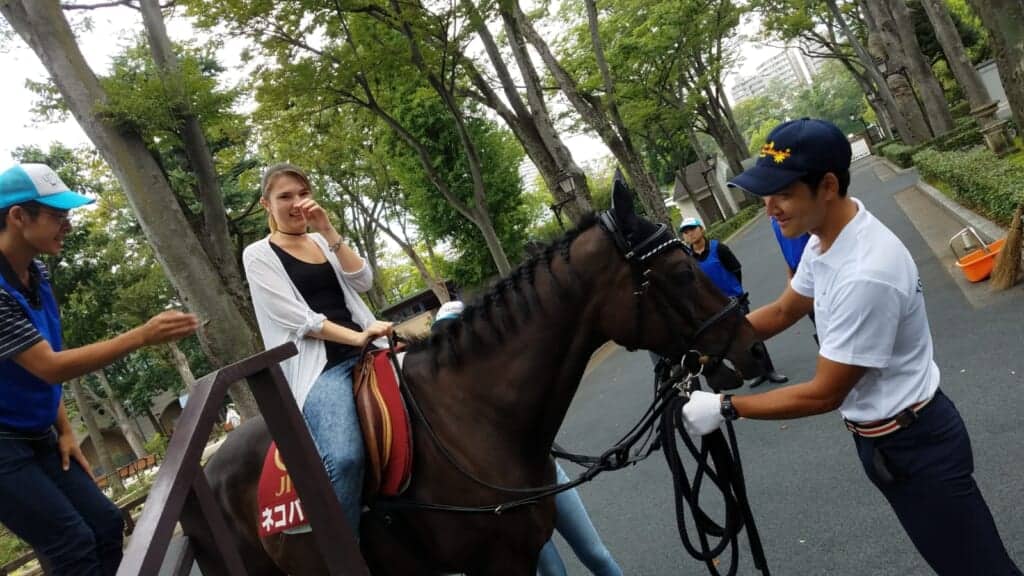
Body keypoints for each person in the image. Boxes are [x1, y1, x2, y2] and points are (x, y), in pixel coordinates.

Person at [681, 119, 1021, 575]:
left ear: (826, 186)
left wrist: (727, 407)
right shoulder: (828, 240)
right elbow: (785, 310)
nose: (770, 210)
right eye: (764, 196)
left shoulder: (865, 273)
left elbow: (824, 392)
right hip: (887, 442)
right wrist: (700, 343)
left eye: (781, 193)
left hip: (914, 444)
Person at [0, 163, 200, 574]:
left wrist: (67, 431)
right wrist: (142, 335)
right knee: (70, 542)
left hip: (37, 432)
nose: (67, 227)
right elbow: (49, 367)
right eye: (57, 217)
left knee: (107, 524)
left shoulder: (36, 273)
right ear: (18, 216)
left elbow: (42, 359)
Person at [242, 163, 392, 535]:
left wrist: (327, 228)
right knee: (344, 458)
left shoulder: (322, 241)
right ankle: (343, 556)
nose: (297, 203)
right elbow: (298, 320)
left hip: (372, 348)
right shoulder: (258, 254)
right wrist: (356, 337)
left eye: (302, 193)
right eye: (285, 197)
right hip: (323, 370)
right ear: (266, 204)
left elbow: (364, 280)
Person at [429, 300, 622, 576]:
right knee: (553, 572)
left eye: (459, 331)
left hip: (547, 475)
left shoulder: (504, 375)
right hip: (511, 502)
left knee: (597, 555)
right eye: (446, 335)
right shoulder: (444, 398)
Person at [678, 217, 788, 386]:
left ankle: (769, 370)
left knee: (751, 336)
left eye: (692, 229)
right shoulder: (688, 257)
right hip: (712, 309)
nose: (690, 234)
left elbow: (736, 269)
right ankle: (754, 371)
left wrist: (734, 290)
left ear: (701, 229)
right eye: (685, 232)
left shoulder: (719, 248)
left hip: (734, 301)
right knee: (730, 342)